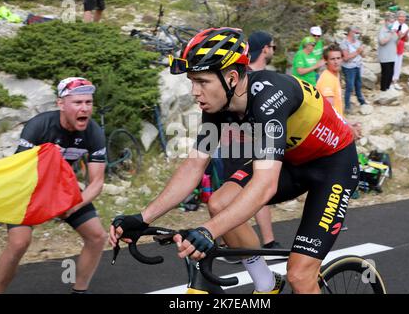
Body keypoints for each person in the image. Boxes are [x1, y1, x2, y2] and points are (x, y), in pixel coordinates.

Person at [110, 27, 359, 294]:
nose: (195, 92)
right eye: (192, 81)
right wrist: (143, 217)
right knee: (218, 202)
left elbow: (265, 185)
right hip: (292, 161)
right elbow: (194, 166)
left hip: (333, 166)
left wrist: (208, 231)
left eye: (202, 81)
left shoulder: (270, 98)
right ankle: (266, 283)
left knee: (299, 276)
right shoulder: (218, 106)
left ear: (230, 77)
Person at [0, 77, 107, 294]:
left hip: (63, 190)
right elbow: (21, 174)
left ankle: (80, 291)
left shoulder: (93, 132)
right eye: (77, 103)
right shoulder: (39, 125)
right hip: (30, 190)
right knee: (19, 243)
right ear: (61, 104)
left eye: (88, 102)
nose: (84, 108)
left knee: (97, 237)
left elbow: (97, 183)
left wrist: (71, 207)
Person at [217, 31, 283, 260]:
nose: (273, 50)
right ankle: (264, 241)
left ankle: (243, 243)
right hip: (245, 142)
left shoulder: (247, 75)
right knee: (252, 190)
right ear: (265, 49)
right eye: (272, 46)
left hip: (236, 142)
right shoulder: (254, 77)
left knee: (243, 191)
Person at [340, 26, 367, 114]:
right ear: (351, 32)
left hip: (357, 66)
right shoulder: (344, 43)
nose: (357, 35)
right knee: (350, 86)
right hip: (348, 68)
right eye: (356, 33)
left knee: (358, 85)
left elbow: (363, 55)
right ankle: (347, 106)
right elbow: (346, 58)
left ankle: (362, 101)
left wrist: (362, 51)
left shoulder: (358, 42)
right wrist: (357, 52)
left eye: (359, 33)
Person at [378, 12, 398, 92]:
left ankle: (388, 88)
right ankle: (383, 90)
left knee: (391, 74)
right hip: (384, 56)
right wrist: (390, 34)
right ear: (386, 21)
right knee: (385, 74)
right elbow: (382, 42)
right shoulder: (382, 30)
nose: (391, 24)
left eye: (393, 22)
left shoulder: (393, 31)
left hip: (392, 56)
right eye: (390, 22)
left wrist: (399, 36)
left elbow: (396, 42)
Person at [392, 10, 409, 90]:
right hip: (392, 48)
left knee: (398, 66)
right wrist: (401, 35)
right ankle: (389, 82)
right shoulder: (393, 24)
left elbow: (406, 39)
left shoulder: (405, 26)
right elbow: (394, 36)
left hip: (400, 48)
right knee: (392, 65)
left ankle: (395, 81)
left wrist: (405, 35)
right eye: (400, 16)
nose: (402, 18)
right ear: (397, 17)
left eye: (403, 17)